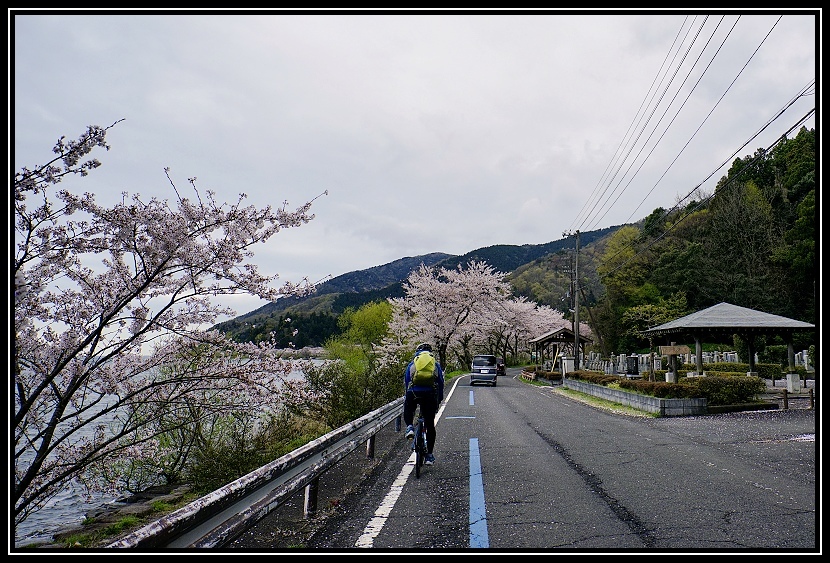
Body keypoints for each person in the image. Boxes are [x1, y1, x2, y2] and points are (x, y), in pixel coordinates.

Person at [403, 342, 444, 466]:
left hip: (414, 393)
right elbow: (441, 384)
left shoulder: (413, 364)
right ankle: (429, 456)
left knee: (409, 407)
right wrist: (439, 400)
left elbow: (407, 382)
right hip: (429, 395)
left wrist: (408, 396)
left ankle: (409, 426)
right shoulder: (435, 365)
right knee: (430, 424)